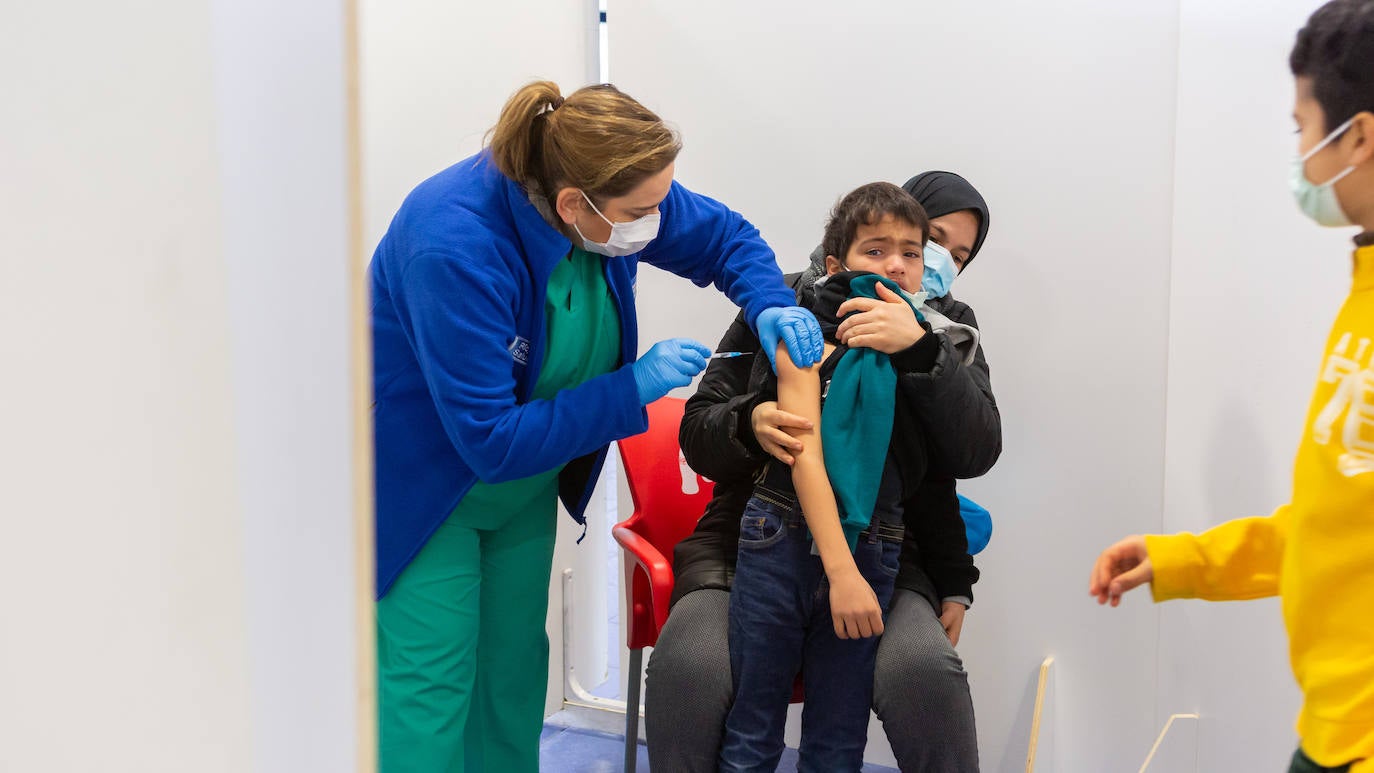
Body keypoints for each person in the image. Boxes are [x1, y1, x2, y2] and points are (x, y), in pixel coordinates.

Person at [368, 80, 824, 772]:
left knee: (513, 673)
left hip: (525, 480)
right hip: (428, 489)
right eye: (640, 212)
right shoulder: (453, 242)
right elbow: (489, 439)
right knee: (429, 685)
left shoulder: (597, 196)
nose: (655, 222)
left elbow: (725, 236)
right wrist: (631, 388)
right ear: (572, 205)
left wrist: (765, 304)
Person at [1089, 3, 1374, 771]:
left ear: (1360, 137)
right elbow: (1334, 525)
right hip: (1334, 731)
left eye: (1302, 127)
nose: (1302, 153)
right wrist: (1184, 559)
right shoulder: (1362, 297)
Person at [646, 171, 998, 773]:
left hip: (885, 552)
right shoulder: (783, 305)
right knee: (693, 670)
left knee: (921, 680)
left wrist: (921, 349)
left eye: (952, 256)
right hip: (750, 541)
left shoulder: (948, 327)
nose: (924, 263)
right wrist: (749, 422)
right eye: (931, 239)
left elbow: (967, 458)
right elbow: (700, 430)